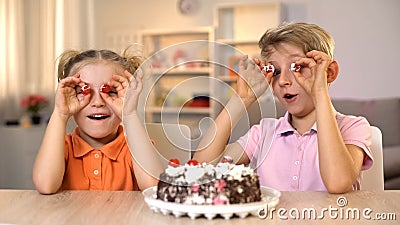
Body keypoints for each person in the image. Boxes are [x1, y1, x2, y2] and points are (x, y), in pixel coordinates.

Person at [193, 22, 373, 194]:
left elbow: (337, 182)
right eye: (276, 71)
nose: (283, 81)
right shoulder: (264, 133)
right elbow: (200, 169)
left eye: (298, 67)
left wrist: (319, 91)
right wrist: (241, 99)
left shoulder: (352, 127)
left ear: (330, 73)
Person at [33, 48, 159, 194]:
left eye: (111, 91)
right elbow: (45, 186)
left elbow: (153, 187)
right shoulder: (62, 148)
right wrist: (60, 113)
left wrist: (129, 113)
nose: (98, 103)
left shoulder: (135, 146)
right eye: (83, 91)